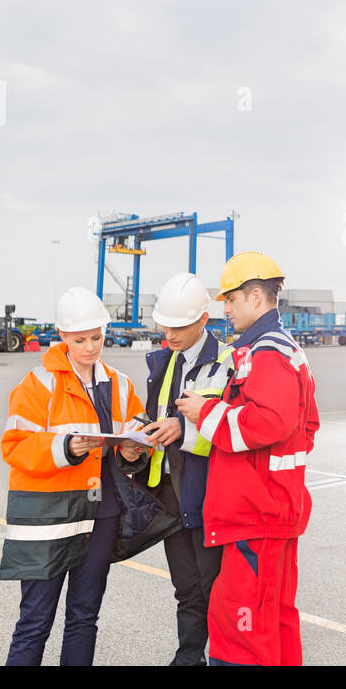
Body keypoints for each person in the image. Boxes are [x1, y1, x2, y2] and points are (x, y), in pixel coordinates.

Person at [174, 251, 319, 666]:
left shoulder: (266, 353)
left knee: (241, 630)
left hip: (257, 514)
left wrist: (208, 413)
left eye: (231, 299)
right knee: (274, 622)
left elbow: (269, 421)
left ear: (256, 297)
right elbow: (302, 428)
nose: (226, 308)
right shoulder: (276, 350)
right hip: (271, 510)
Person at [0, 286, 144, 665]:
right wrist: (67, 448)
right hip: (50, 518)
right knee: (34, 622)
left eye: (96, 337)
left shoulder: (120, 383)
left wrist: (133, 451)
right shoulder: (38, 384)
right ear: (62, 337)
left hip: (101, 514)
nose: (90, 347)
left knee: (84, 617)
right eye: (80, 339)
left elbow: (137, 437)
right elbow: (14, 446)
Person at [110, 272, 235, 665]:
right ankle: (188, 659)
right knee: (186, 590)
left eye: (180, 326)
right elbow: (155, 420)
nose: (171, 333)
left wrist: (183, 429)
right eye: (165, 325)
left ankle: (226, 658)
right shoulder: (164, 362)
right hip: (171, 497)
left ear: (204, 319)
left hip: (209, 495)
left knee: (217, 591)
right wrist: (135, 445)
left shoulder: (230, 362)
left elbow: (235, 428)